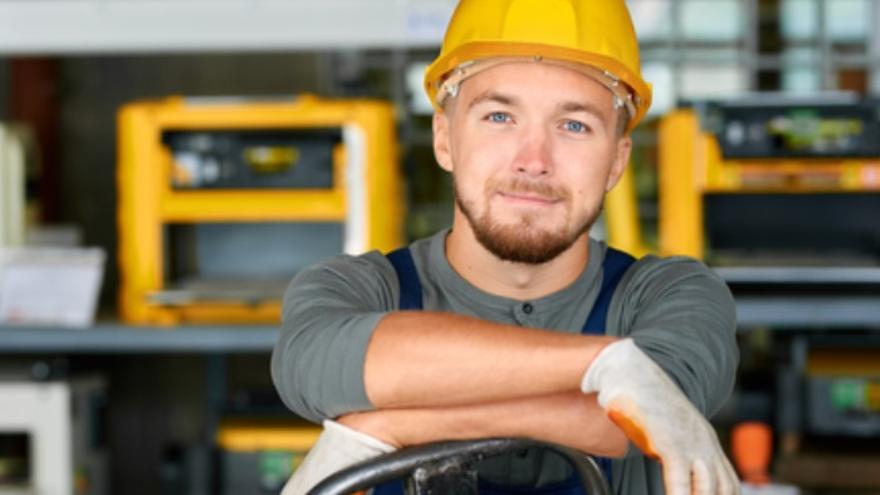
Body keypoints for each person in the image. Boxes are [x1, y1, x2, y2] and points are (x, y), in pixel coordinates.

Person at [271, 0, 740, 493]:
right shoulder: (353, 291)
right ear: (444, 138)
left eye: (574, 125)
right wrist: (604, 366)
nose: (533, 160)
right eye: (499, 116)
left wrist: (383, 429)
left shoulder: (673, 296)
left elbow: (627, 422)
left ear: (618, 161)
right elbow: (319, 366)